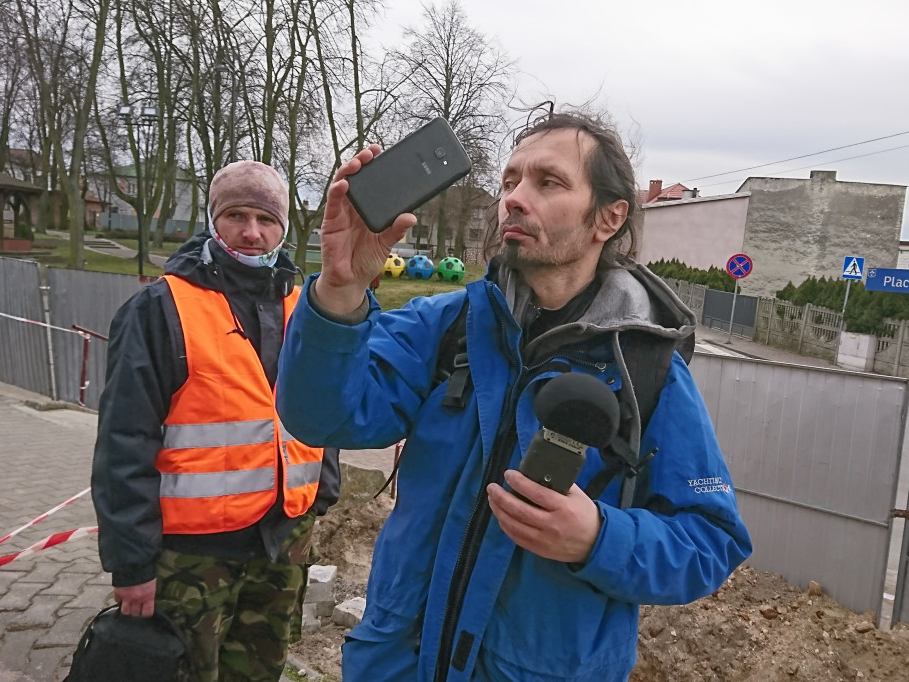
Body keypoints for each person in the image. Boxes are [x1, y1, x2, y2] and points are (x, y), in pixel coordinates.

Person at [275, 110, 752, 681]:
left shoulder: (646, 369)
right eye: (509, 182)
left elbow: (710, 542)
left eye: (547, 182)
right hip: (397, 662)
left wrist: (597, 538)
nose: (513, 200)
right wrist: (340, 290)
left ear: (608, 216)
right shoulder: (446, 326)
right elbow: (319, 418)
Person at [91, 160, 341, 682]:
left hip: (282, 543)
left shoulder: (304, 306)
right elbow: (124, 441)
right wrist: (132, 564)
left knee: (259, 673)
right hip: (192, 559)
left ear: (283, 227)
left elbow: (325, 406)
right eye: (236, 215)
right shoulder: (160, 308)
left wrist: (322, 490)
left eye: (265, 219)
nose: (252, 232)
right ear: (212, 220)